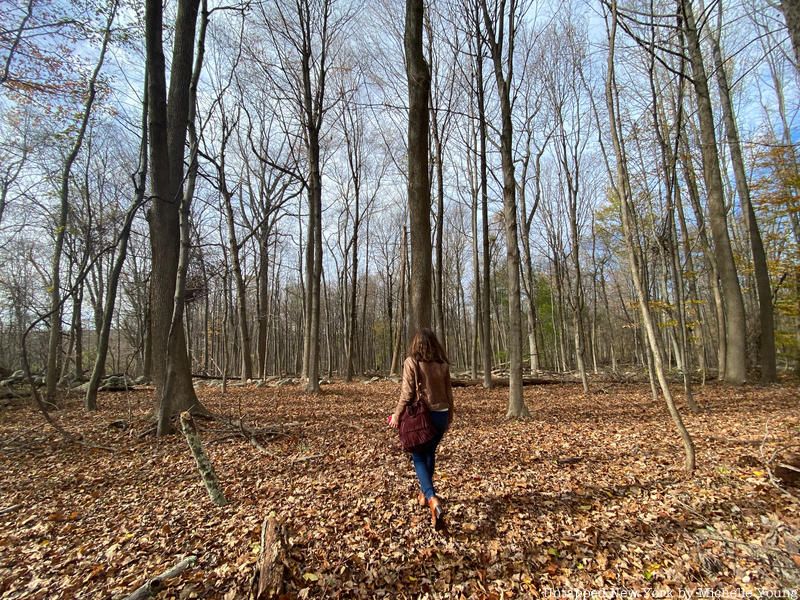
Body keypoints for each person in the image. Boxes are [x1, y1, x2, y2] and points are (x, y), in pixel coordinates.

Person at [389, 328, 454, 528]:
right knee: (429, 454)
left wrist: (397, 415)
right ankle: (424, 494)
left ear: (415, 345)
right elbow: (449, 393)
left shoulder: (411, 362)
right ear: (434, 344)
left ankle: (431, 498)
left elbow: (407, 394)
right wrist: (449, 415)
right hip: (442, 414)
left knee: (417, 456)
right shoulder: (442, 364)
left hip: (424, 416)